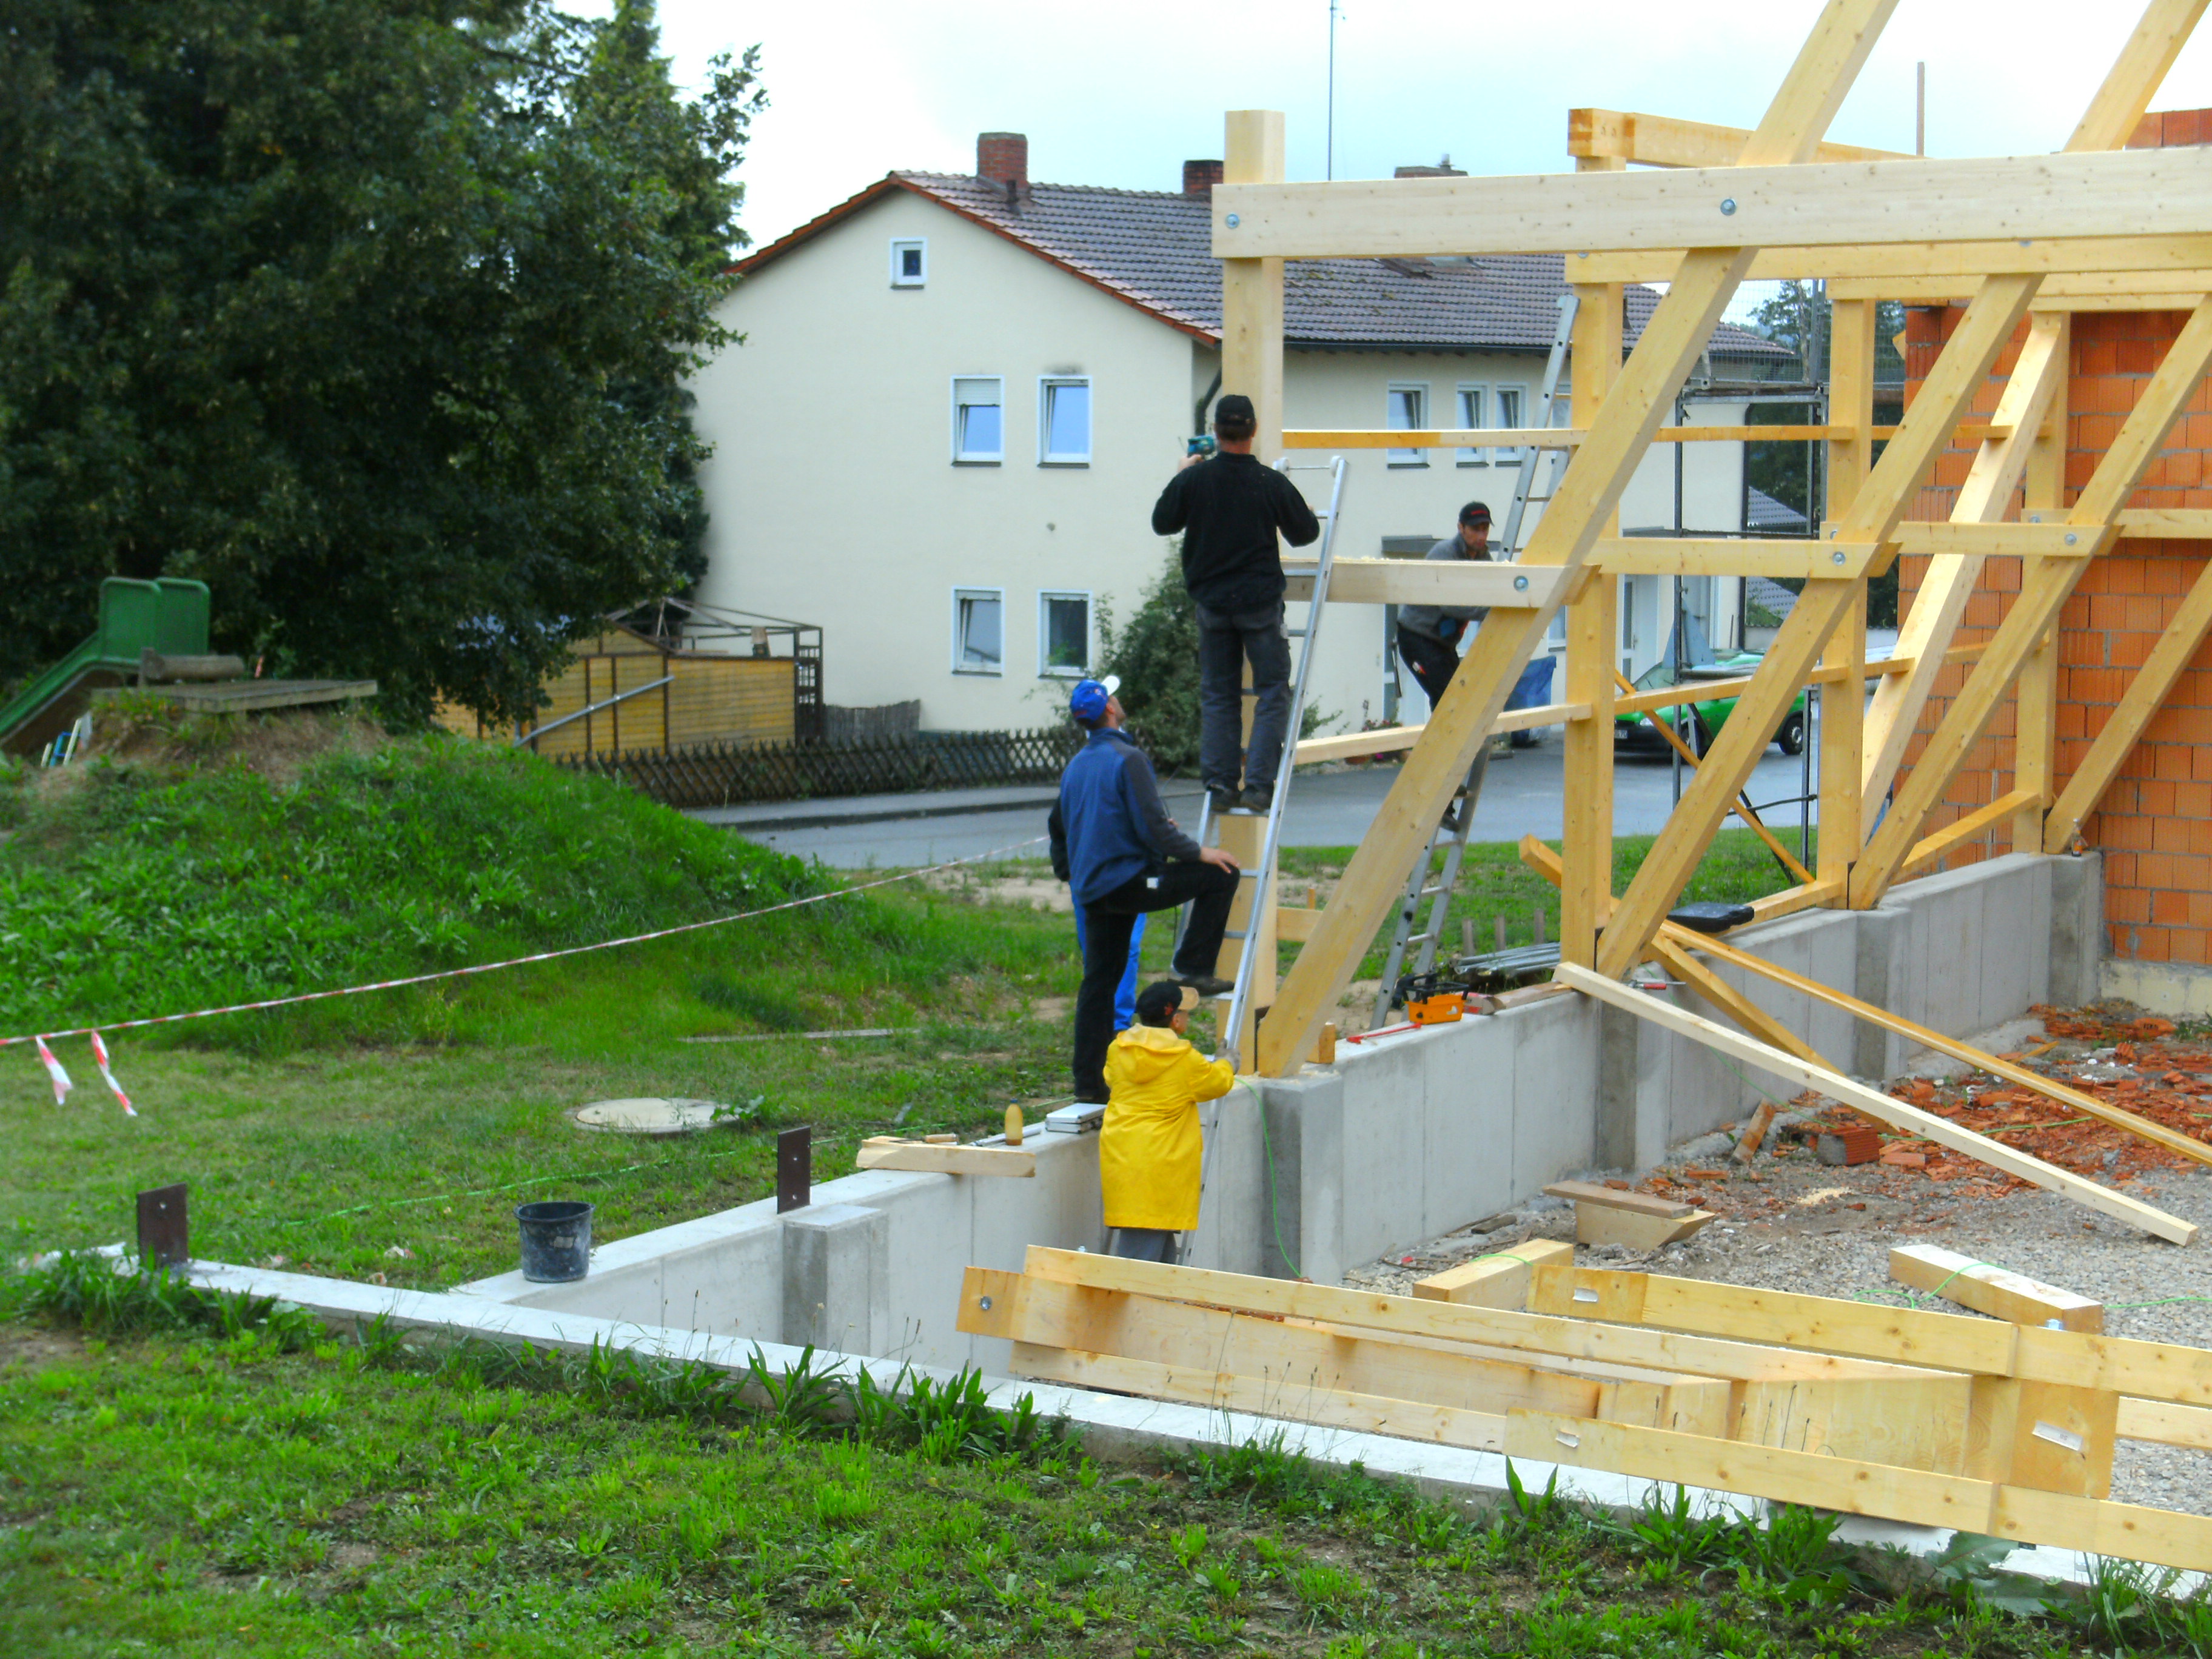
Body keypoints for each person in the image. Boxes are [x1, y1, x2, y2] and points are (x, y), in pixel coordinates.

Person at [1049, 674, 1241, 1104]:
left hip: (1093, 892)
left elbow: (1059, 827)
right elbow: (1155, 829)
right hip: (1130, 884)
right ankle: (1193, 967)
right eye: (1114, 696)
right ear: (1110, 708)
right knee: (1222, 874)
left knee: (1099, 983)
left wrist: (1070, 873)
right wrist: (1201, 852)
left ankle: (1090, 1085)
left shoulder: (1075, 767)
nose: (1118, 700)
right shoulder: (1128, 758)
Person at [1150, 393, 1321, 815]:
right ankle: (1259, 787)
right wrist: (1302, 511)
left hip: (1212, 605)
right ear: (1254, 431)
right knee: (1273, 692)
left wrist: (1181, 475)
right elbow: (1306, 533)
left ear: (1214, 432)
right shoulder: (1269, 482)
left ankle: (1220, 786)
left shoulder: (1195, 480)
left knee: (1219, 694)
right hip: (1259, 604)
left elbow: (1162, 522)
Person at [1100, 979, 1236, 1262]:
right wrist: (1227, 1062)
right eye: (1185, 1013)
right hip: (1162, 1170)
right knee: (1137, 1267)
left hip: (1123, 1158)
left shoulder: (1118, 1049)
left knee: (1158, 1256)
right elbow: (1218, 1083)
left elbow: (1111, 1078)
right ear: (1175, 1020)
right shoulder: (1184, 1060)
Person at [1395, 501, 1493, 712]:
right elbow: (1452, 606)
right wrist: (1493, 611)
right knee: (1447, 700)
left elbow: (1493, 589)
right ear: (1461, 528)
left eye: (1485, 529)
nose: (1481, 536)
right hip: (1417, 638)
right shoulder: (1445, 553)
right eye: (1475, 529)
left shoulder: (1484, 557)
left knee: (1457, 699)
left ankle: (1444, 735)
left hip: (1443, 644)